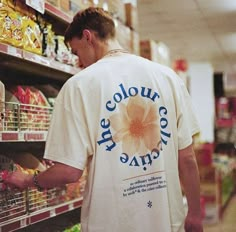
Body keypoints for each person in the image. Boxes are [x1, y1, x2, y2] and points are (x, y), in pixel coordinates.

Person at [5, 7, 203, 232]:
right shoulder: (168, 78)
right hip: (167, 222)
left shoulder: (78, 86)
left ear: (88, 36)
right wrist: (195, 215)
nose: (78, 62)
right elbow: (187, 158)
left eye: (77, 52)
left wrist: (28, 181)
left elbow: (69, 171)